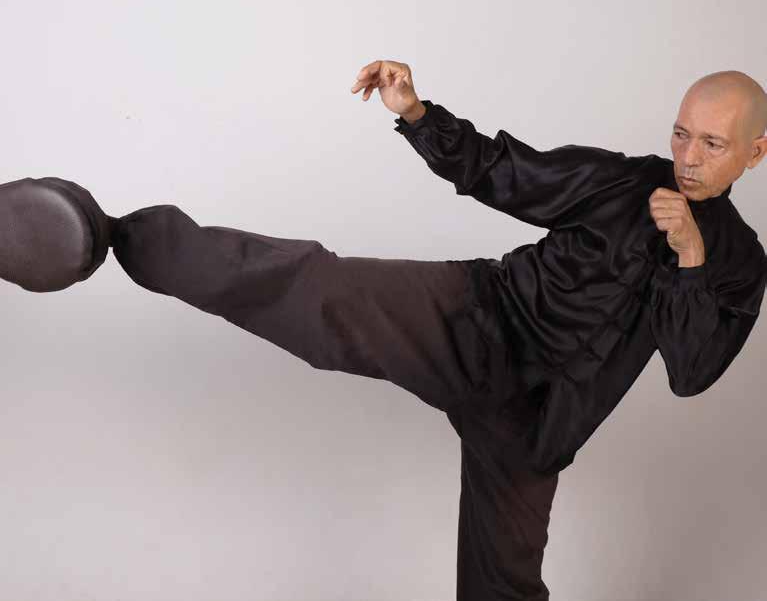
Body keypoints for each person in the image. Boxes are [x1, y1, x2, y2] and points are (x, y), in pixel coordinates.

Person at [1, 62, 766, 601]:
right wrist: (416, 114)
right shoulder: (622, 181)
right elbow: (504, 173)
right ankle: (102, 232)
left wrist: (690, 259)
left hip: (538, 423)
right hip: (475, 316)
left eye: (712, 145)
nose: (687, 158)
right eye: (680, 135)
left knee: (503, 583)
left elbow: (691, 371)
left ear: (755, 152)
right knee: (315, 289)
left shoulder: (737, 264)